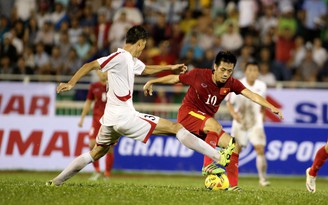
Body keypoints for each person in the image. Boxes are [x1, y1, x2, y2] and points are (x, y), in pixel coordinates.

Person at [46, 26, 235, 186]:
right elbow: (90, 65)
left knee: (95, 152)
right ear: (139, 43)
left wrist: (170, 68)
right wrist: (71, 83)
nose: (142, 51)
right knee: (176, 127)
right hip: (125, 117)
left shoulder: (129, 60)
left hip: (110, 121)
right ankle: (218, 158)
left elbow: (144, 69)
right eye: (142, 47)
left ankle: (56, 182)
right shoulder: (119, 57)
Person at [143, 51, 283, 191]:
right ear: (215, 67)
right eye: (222, 70)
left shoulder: (231, 83)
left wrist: (271, 107)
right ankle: (208, 165)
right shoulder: (198, 75)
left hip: (205, 123)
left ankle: (233, 187)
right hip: (188, 114)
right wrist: (152, 81)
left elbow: (252, 95)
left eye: (229, 71)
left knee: (233, 146)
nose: (225, 74)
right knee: (214, 125)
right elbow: (175, 78)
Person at [226, 62, 270, 187]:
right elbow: (229, 102)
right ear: (245, 72)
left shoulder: (262, 86)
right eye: (250, 70)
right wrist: (234, 114)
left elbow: (263, 103)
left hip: (256, 122)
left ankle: (263, 179)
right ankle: (230, 179)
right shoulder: (237, 84)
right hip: (240, 123)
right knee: (235, 151)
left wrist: (263, 116)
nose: (253, 73)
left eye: (255, 70)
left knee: (260, 149)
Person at [78, 70, 114, 180]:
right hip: (96, 120)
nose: (103, 73)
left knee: (109, 148)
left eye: (106, 71)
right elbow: (88, 102)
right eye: (101, 71)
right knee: (92, 144)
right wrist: (82, 118)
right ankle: (97, 171)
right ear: (97, 73)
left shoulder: (113, 85)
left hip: (109, 120)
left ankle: (107, 174)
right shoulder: (94, 86)